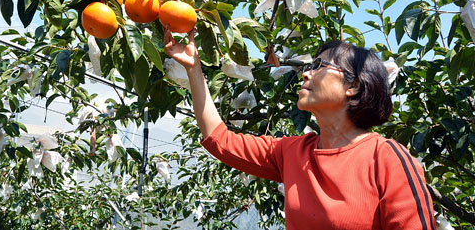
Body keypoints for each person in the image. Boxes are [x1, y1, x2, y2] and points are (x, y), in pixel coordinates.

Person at [164, 27, 437, 230]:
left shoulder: (386, 158)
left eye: (320, 65)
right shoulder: (293, 152)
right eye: (309, 66)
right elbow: (220, 139)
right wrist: (194, 70)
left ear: (353, 86)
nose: (306, 73)